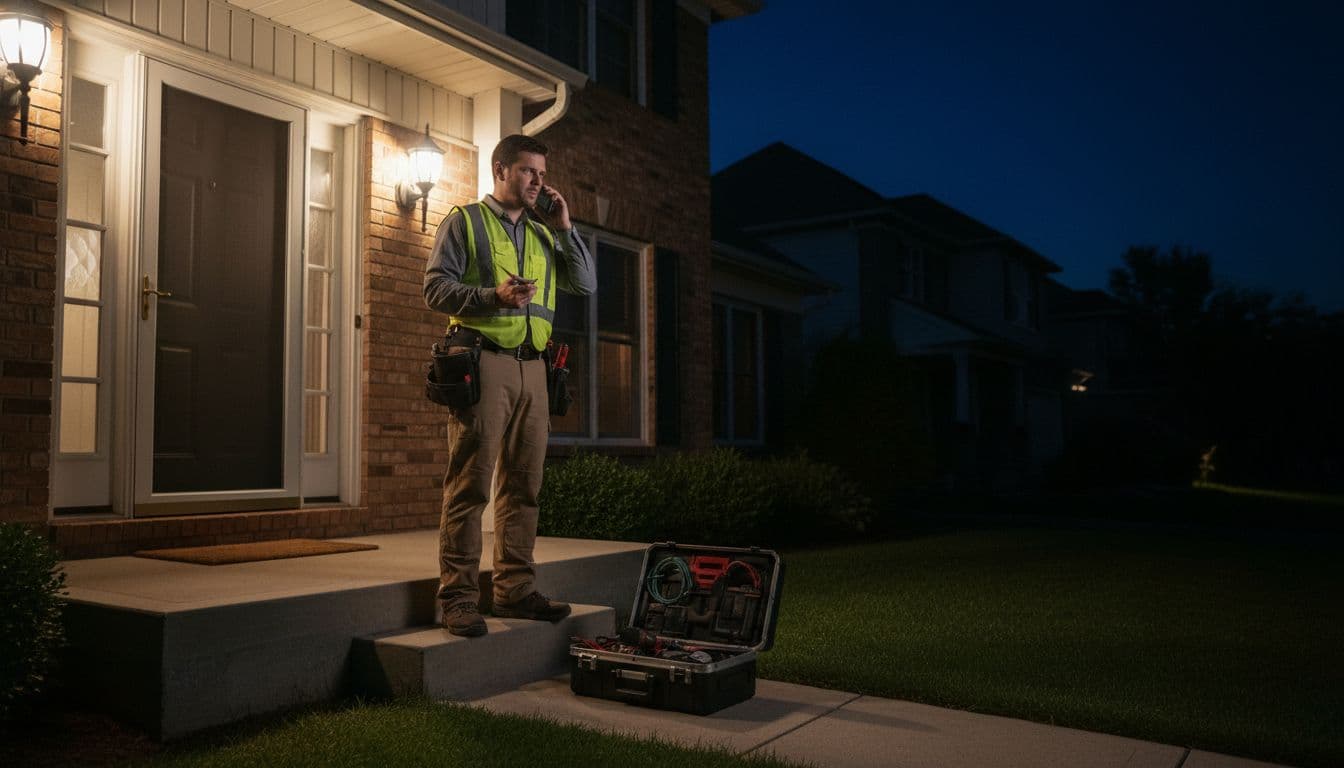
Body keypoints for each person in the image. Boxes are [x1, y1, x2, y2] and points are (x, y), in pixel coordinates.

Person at [423, 134, 596, 637]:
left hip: (535, 370)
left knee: (525, 486)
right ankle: (457, 598)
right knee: (470, 483)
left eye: (542, 173)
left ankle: (514, 590)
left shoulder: (546, 234)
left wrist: (565, 227)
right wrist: (491, 297)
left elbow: (584, 284)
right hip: (484, 363)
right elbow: (434, 288)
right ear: (501, 170)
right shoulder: (465, 221)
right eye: (528, 172)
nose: (538, 182)